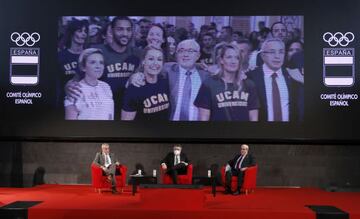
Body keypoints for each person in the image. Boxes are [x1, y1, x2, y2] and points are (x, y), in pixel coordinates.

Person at [66, 16, 141, 120]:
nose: (125, 33)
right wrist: (69, 86)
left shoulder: (137, 53)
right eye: (120, 29)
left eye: (128, 29)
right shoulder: (98, 51)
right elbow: (76, 78)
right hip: (101, 112)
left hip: (128, 112)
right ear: (111, 30)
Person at [130, 39, 210, 121]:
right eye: (181, 51)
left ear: (198, 55)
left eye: (190, 51)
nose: (185, 54)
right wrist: (136, 75)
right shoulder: (167, 69)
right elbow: (149, 67)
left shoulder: (206, 76)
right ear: (176, 54)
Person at [194, 43, 260, 121]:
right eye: (229, 57)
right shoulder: (209, 84)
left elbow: (253, 117)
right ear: (221, 60)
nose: (233, 61)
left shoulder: (249, 85)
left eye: (237, 58)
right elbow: (203, 117)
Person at [247, 38, 303, 122]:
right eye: (272, 52)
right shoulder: (251, 77)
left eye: (281, 52)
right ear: (262, 55)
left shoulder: (293, 76)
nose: (277, 56)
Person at [121, 47, 170, 121]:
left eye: (159, 59)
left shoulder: (165, 82)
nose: (155, 63)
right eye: (151, 59)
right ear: (143, 61)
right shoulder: (134, 88)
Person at [64, 48, 114, 120]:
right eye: (93, 62)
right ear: (83, 67)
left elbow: (110, 115)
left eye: (101, 62)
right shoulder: (75, 89)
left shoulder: (106, 87)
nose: (98, 66)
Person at [57, 19, 89, 107]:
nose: (83, 34)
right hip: (65, 102)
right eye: (80, 31)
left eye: (85, 31)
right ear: (72, 33)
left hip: (86, 103)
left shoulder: (90, 55)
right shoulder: (60, 56)